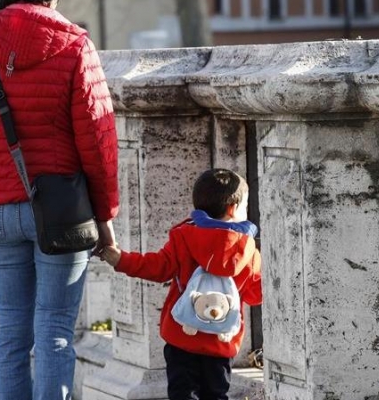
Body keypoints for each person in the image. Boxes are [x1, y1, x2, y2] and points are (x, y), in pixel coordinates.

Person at [0, 0, 118, 399]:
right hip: (61, 212)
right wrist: (105, 214)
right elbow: (97, 140)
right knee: (55, 331)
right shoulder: (75, 45)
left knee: (10, 332)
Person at [97, 169, 262, 400]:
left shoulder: (184, 237)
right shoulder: (248, 251)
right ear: (233, 209)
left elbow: (156, 267)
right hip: (221, 342)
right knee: (216, 394)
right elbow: (255, 295)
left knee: (181, 393)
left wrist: (120, 259)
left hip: (181, 337)